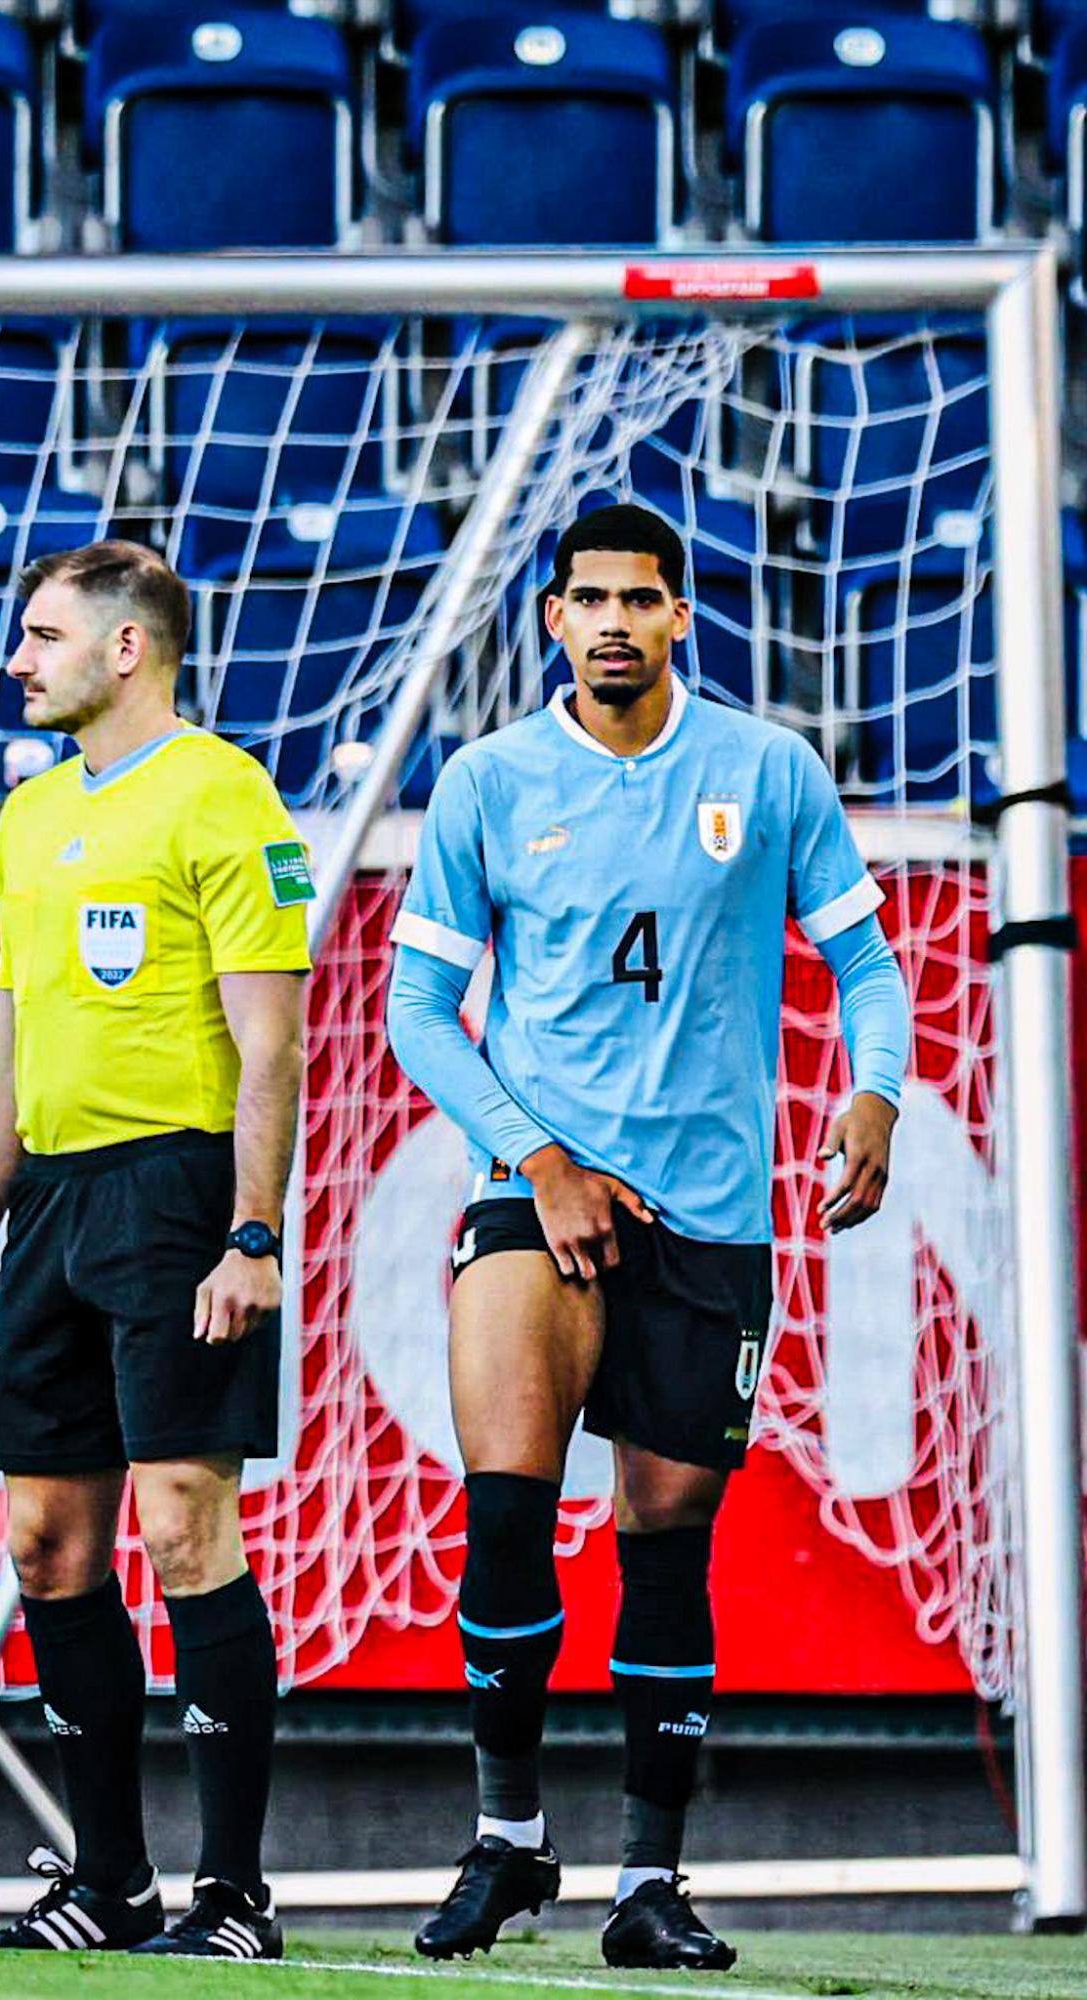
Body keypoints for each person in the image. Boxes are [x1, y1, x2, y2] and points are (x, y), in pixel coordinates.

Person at [386, 503, 910, 1970]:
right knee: (506, 1508)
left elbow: (866, 964)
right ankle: (505, 1841)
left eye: (641, 600)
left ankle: (647, 1883)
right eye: (590, 600)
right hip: (537, 1198)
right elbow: (419, 1009)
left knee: (666, 1542)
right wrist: (539, 1156)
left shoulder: (769, 769)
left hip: (712, 1213)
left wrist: (875, 1091)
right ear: (553, 618)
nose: (614, 622)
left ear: (682, 614)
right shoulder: (490, 781)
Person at [0, 540, 310, 1960]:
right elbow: (6, 1049)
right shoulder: (30, 816)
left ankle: (234, 1898)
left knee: (184, 1520)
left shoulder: (225, 793)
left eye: (42, 636)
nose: (17, 661)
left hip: (177, 1196)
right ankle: (108, 1885)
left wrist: (252, 1233)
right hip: (52, 1207)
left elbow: (273, 1044)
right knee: (45, 1542)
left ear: (127, 647)